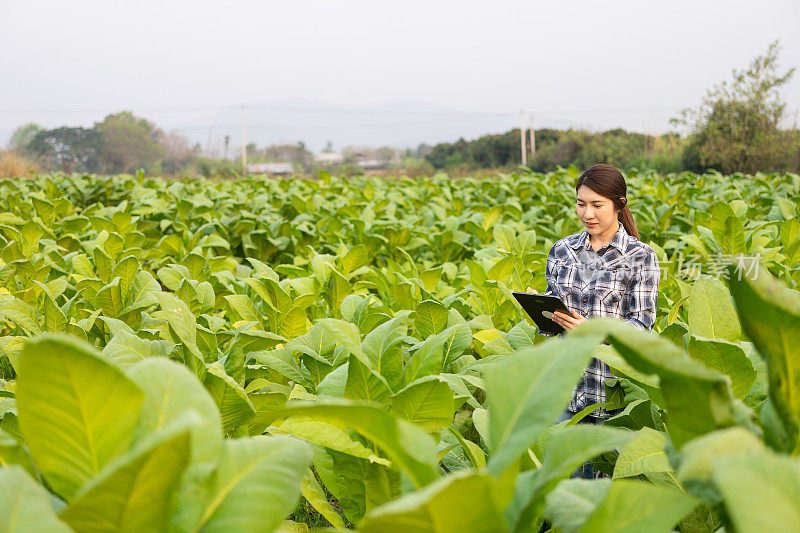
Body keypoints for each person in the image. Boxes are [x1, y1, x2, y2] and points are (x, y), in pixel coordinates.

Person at [526, 163, 660, 478]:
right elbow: (551, 327)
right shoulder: (562, 250)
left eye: (597, 205)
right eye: (581, 203)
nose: (588, 213)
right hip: (565, 393)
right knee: (566, 495)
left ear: (619, 205)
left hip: (612, 399)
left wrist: (595, 331)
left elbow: (642, 330)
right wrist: (541, 309)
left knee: (604, 501)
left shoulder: (641, 258)